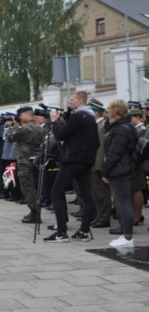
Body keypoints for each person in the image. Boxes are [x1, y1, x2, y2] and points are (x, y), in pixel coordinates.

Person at [45, 91, 100, 243]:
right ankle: (83, 230)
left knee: (57, 192)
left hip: (72, 161)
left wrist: (55, 121)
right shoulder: (90, 118)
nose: (70, 102)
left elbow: (61, 135)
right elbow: (96, 142)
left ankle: (61, 232)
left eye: (73, 99)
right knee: (86, 195)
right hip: (86, 161)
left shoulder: (78, 116)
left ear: (81, 101)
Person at [101, 100, 138, 248]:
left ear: (115, 111)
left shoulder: (121, 129)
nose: (107, 112)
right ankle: (126, 235)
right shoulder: (123, 126)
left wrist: (105, 171)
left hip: (119, 170)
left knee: (123, 203)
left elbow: (114, 154)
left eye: (109, 109)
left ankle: (128, 237)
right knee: (123, 202)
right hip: (122, 168)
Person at [7, 106, 44, 223]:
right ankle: (35, 211)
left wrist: (16, 126)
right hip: (36, 159)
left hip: (25, 161)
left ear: (27, 115)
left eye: (21, 115)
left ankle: (34, 213)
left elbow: (10, 137)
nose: (20, 117)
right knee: (34, 187)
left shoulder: (25, 128)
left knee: (27, 187)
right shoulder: (39, 127)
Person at [89, 100, 111, 228]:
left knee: (102, 193)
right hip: (93, 163)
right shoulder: (96, 125)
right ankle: (99, 215)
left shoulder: (102, 126)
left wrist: (99, 165)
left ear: (96, 112)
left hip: (98, 164)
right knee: (96, 193)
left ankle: (104, 217)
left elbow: (101, 148)